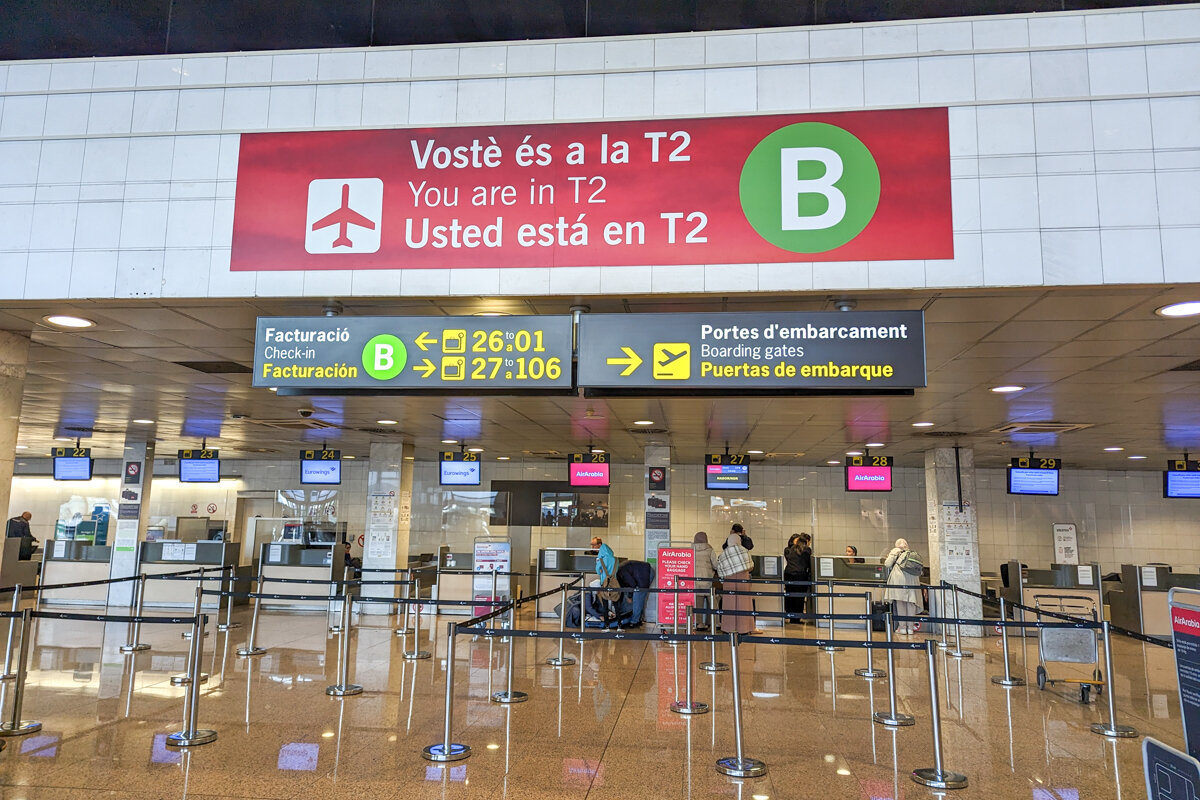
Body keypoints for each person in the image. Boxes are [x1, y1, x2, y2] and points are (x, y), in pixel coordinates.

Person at [715, 532, 754, 634]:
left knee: (729, 604)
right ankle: (744, 628)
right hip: (743, 580)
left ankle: (729, 628)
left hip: (729, 581)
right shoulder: (745, 551)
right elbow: (751, 566)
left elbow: (720, 570)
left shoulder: (724, 554)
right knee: (744, 604)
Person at [884, 538, 923, 634]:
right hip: (913, 579)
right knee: (911, 602)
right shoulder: (912, 553)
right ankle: (910, 628)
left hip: (899, 578)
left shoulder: (896, 551)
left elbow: (887, 564)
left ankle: (902, 628)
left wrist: (891, 554)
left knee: (901, 602)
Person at [691, 531, 720, 631]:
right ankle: (713, 623)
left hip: (695, 581)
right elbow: (715, 565)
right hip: (708, 580)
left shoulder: (691, 549)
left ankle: (699, 623)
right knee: (712, 603)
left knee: (698, 603)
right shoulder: (709, 550)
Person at [615, 558, 654, 626]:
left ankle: (634, 621)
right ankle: (637, 618)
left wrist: (630, 597)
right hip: (641, 571)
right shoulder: (618, 573)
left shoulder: (621, 572)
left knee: (638, 597)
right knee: (637, 598)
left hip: (644, 574)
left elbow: (632, 584)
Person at [784, 533, 812, 624]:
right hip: (800, 575)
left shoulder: (792, 549)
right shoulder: (806, 550)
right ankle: (796, 619)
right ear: (806, 542)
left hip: (788, 574)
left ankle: (791, 616)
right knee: (799, 597)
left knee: (790, 596)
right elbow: (808, 564)